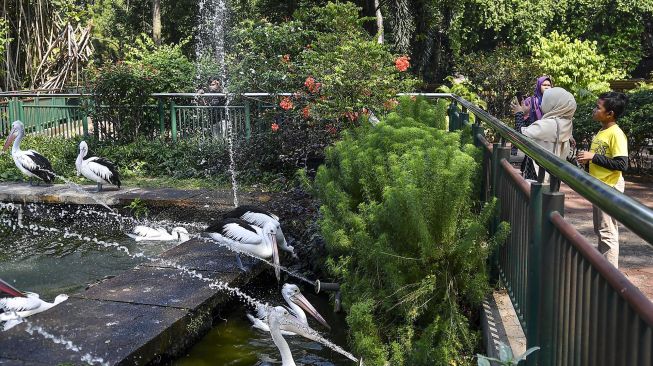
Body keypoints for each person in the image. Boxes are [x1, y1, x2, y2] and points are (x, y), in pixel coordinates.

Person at [577, 92, 629, 268]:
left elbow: (622, 164)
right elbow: (601, 159)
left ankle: (610, 276)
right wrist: (588, 161)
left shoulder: (616, 134)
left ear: (610, 113)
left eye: (598, 107)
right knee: (601, 230)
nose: (594, 110)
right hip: (599, 186)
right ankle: (603, 269)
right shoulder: (602, 130)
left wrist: (593, 157)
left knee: (608, 233)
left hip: (609, 188)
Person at [520, 87, 577, 183]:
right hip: (554, 173)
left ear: (553, 103)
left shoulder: (549, 124)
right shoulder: (566, 122)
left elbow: (521, 135)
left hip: (538, 170)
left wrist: (519, 114)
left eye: (546, 100)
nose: (542, 103)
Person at [511, 76, 553, 179]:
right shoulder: (531, 101)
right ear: (539, 86)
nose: (547, 87)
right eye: (544, 85)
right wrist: (523, 113)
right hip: (534, 134)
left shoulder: (554, 102)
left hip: (548, 138)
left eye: (549, 85)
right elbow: (522, 127)